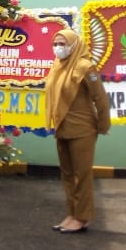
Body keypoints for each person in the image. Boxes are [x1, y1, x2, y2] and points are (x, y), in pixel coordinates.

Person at [44, 28, 110, 234]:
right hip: (62, 127)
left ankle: (82, 217)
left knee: (82, 175)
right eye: (56, 44)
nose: (58, 48)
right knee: (67, 174)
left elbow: (100, 98)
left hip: (82, 130)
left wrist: (102, 125)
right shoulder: (58, 65)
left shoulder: (85, 67)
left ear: (74, 45)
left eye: (63, 44)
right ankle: (72, 214)